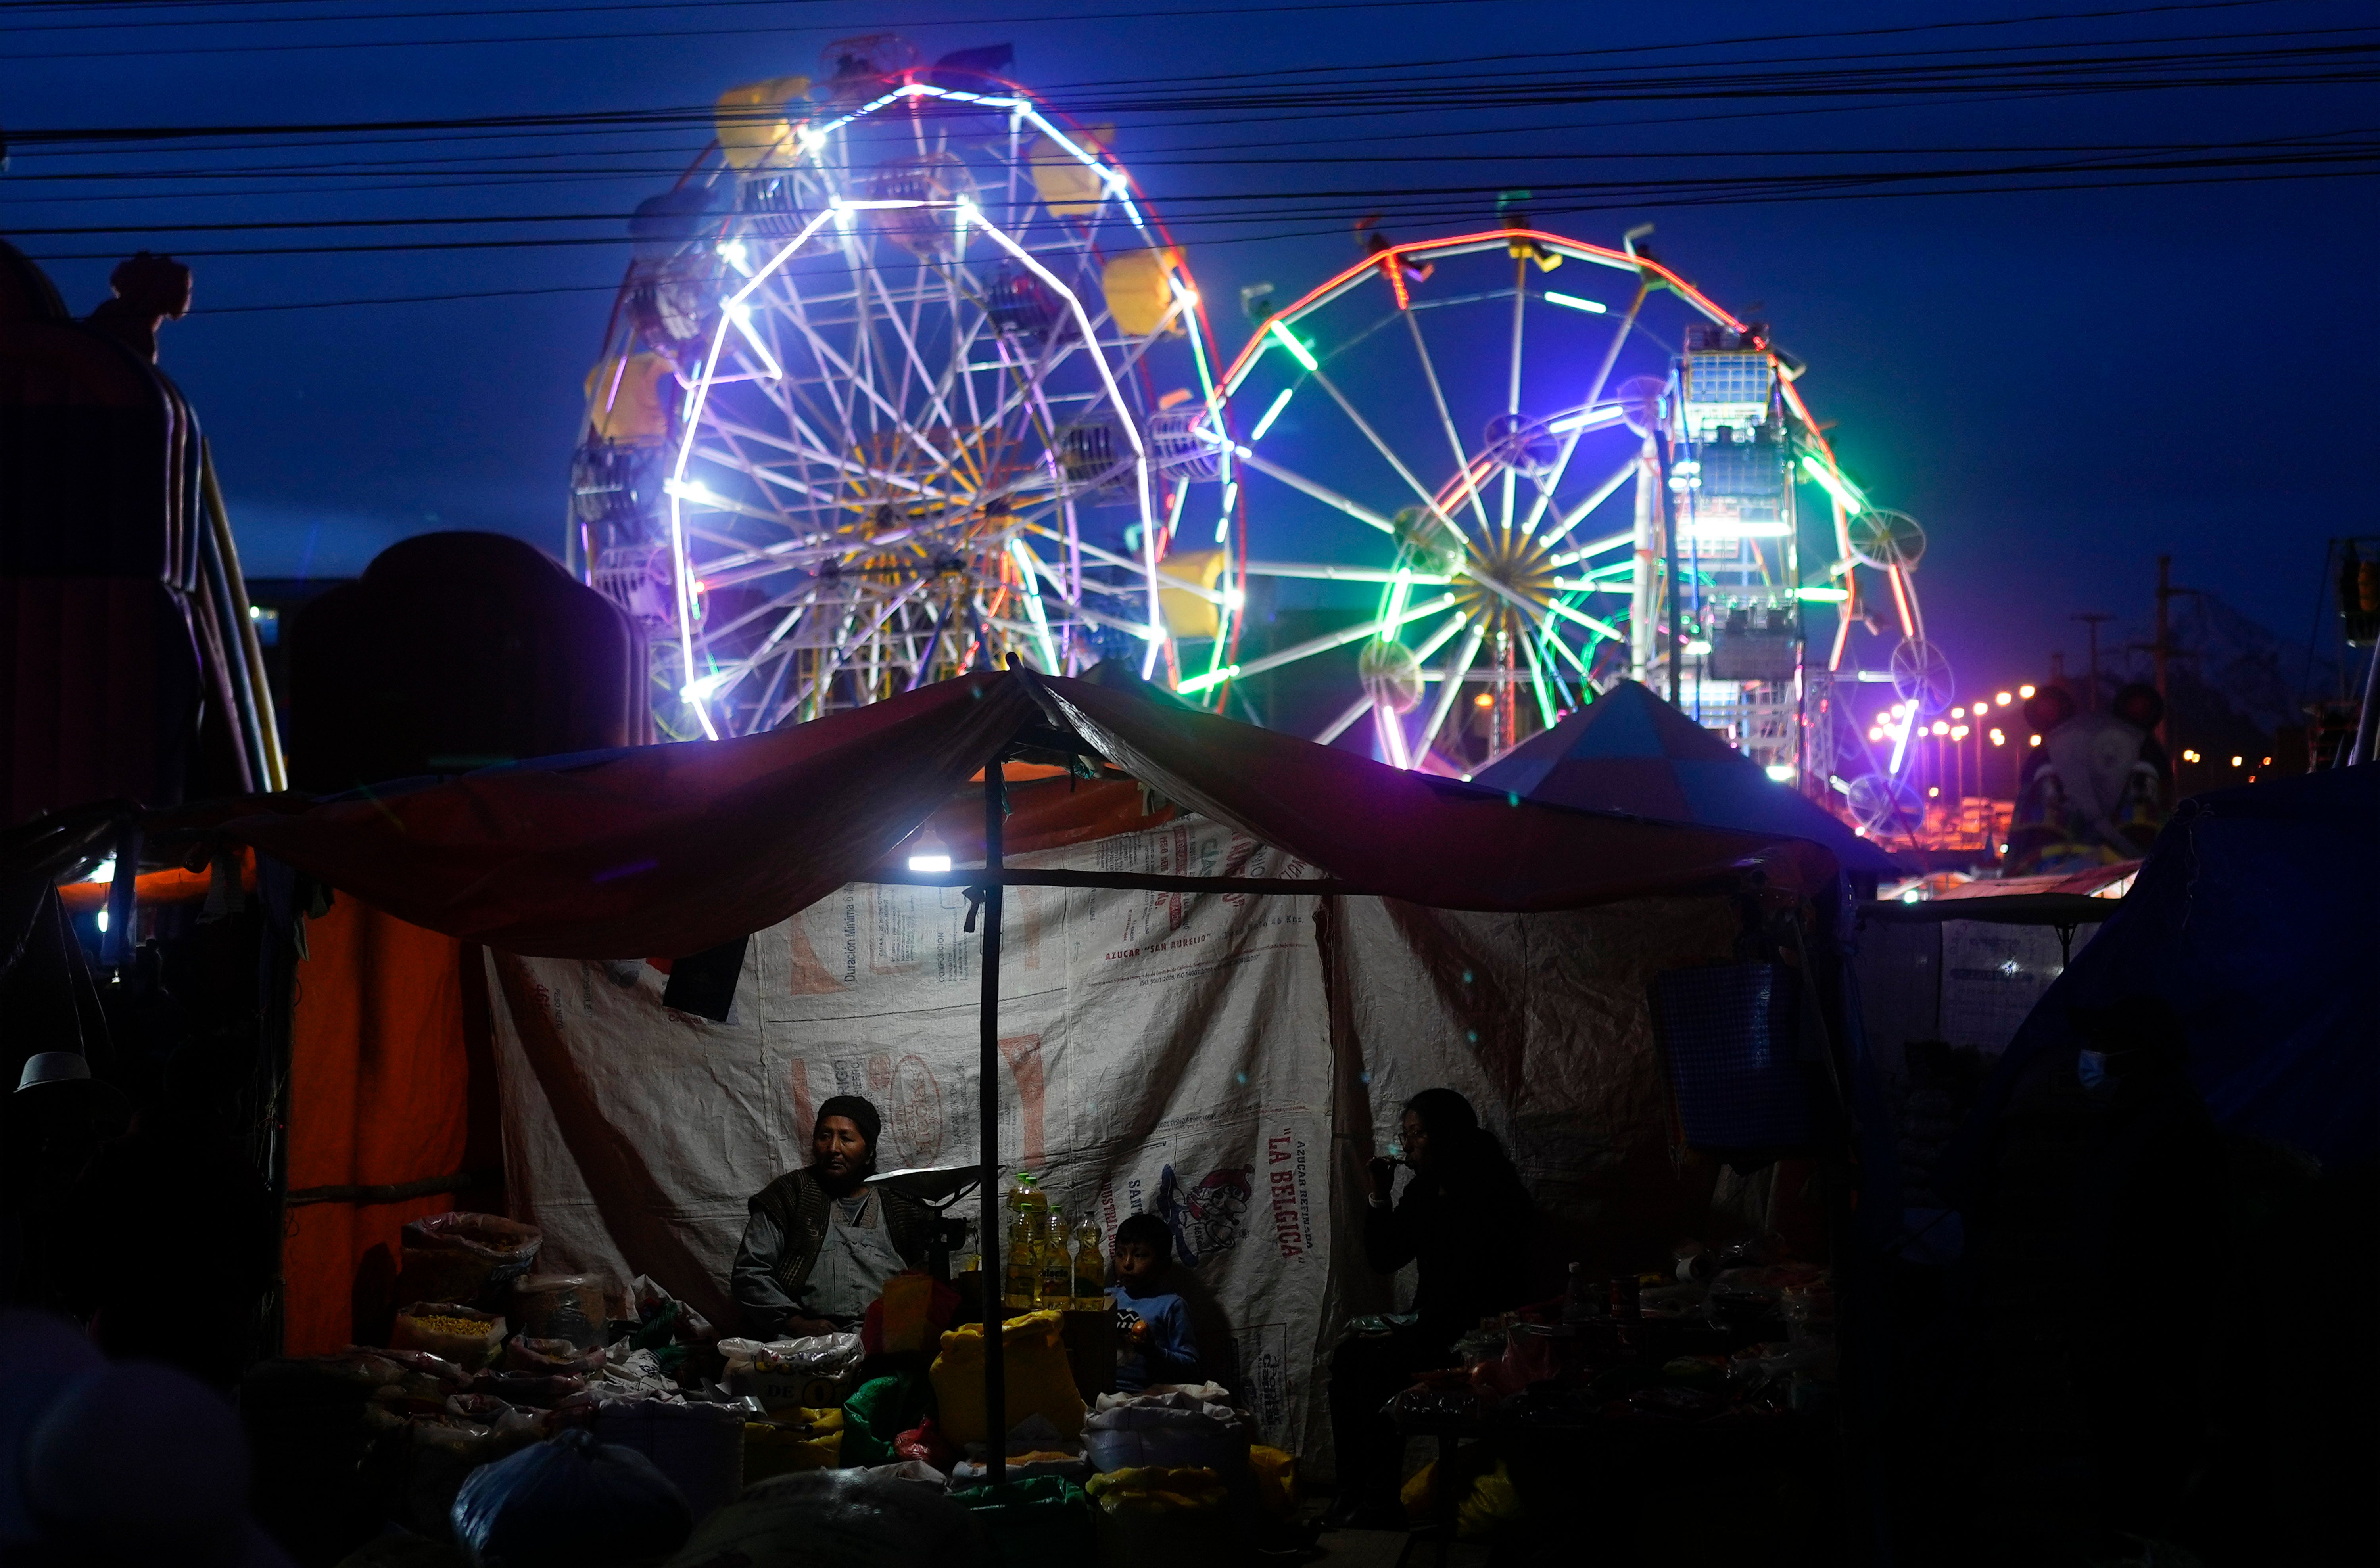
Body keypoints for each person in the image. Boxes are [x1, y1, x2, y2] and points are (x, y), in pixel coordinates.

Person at [1326, 1088, 1534, 1529]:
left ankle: (1379, 1502)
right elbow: (1386, 1257)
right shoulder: (1423, 1189)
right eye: (1406, 1135)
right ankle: (1351, 1494)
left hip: (1479, 1338)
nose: (1409, 1145)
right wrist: (1380, 1196)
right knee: (1347, 1359)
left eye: (1418, 1134)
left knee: (1380, 1366)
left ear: (1449, 1134)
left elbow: (1479, 1286)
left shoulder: (1492, 1188)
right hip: (1432, 1328)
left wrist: (1411, 1330)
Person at [733, 1096, 932, 1338]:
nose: (833, 1148)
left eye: (846, 1139)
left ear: (869, 1153)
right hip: (805, 1341)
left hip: (888, 1340)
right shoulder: (789, 1194)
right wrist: (794, 1322)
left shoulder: (901, 1201)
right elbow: (750, 1272)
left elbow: (931, 1271)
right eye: (824, 1137)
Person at [1107, 1212, 1201, 1392]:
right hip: (1098, 1393)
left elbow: (1192, 1368)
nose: (1127, 1264)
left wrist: (1153, 1352)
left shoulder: (1171, 1306)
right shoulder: (1106, 1298)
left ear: (1164, 1265)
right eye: (1120, 1254)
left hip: (1145, 1397)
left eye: (1140, 1255)